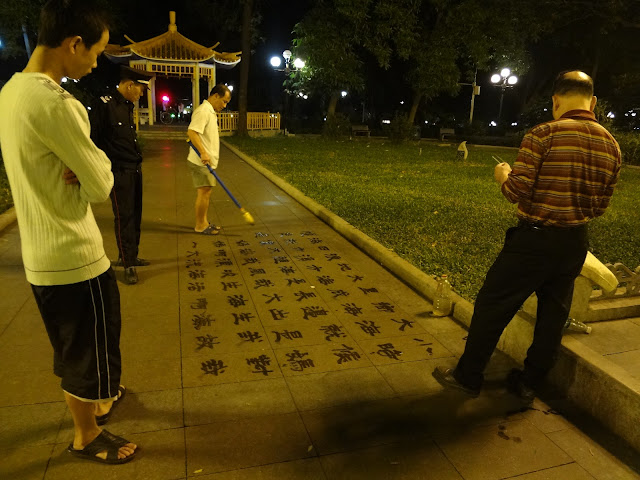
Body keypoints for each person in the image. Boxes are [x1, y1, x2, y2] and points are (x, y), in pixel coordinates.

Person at [0, 0, 137, 464]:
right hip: (74, 255)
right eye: (95, 51)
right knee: (85, 350)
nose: (96, 61)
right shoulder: (57, 103)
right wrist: (91, 162)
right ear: (73, 43)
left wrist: (80, 162)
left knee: (75, 343)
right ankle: (87, 434)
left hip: (41, 255)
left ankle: (100, 398)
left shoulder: (11, 92)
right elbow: (101, 183)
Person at [433, 71, 622, 402]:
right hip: (575, 242)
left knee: (493, 304)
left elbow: (515, 191)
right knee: (553, 316)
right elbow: (601, 206)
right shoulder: (612, 145)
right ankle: (529, 382)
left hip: (534, 240)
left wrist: (503, 175)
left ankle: (468, 376)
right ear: (592, 102)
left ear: (555, 101)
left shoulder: (543, 135)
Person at [90, 65, 154, 285]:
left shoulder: (126, 106)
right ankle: (127, 264)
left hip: (134, 170)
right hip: (118, 171)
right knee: (124, 217)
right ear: (129, 85)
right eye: (141, 89)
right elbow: (93, 140)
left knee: (135, 215)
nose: (142, 94)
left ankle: (132, 255)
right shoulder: (105, 105)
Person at [187, 84, 231, 235]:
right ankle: (200, 225)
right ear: (215, 96)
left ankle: (204, 222)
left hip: (206, 161)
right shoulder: (203, 111)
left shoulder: (210, 111)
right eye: (224, 101)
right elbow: (192, 132)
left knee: (206, 192)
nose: (224, 105)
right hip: (201, 162)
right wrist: (203, 153)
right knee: (204, 192)